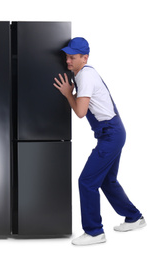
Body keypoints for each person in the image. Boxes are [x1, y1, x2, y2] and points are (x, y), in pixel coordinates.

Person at [54, 37, 146, 246]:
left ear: (84, 58)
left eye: (72, 57)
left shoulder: (85, 76)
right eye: (67, 56)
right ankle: (134, 217)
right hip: (113, 132)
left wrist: (68, 94)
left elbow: (80, 111)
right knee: (107, 180)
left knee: (87, 181)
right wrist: (72, 92)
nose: (68, 61)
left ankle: (94, 232)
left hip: (111, 134)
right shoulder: (85, 74)